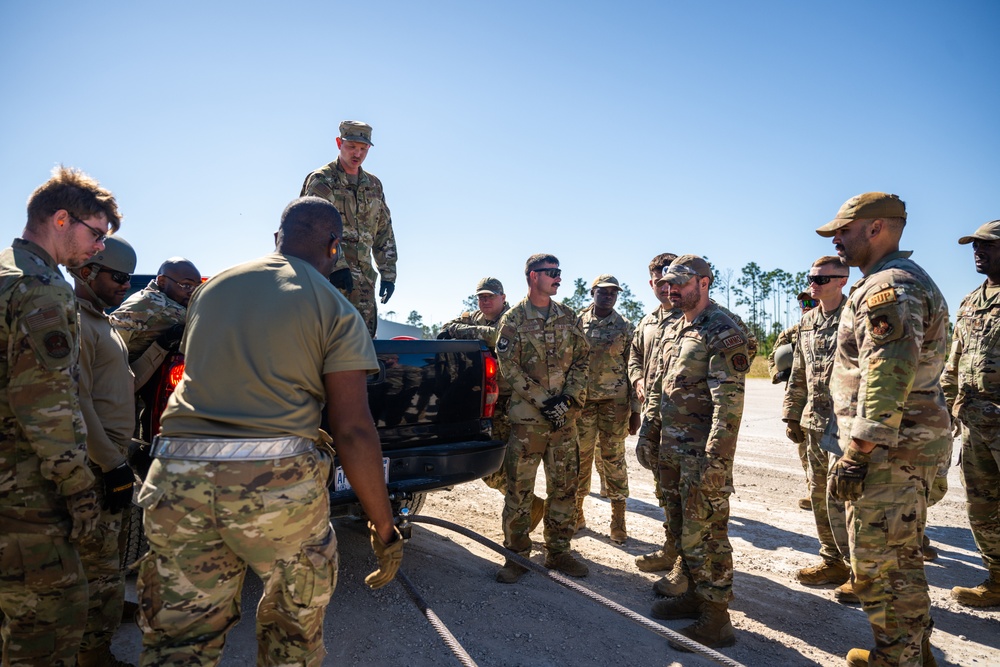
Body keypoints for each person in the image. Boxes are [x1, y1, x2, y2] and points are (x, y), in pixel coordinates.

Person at [135, 197, 403, 666]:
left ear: (277, 240)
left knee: (176, 645)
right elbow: (354, 430)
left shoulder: (211, 289)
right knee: (291, 639)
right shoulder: (335, 310)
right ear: (335, 247)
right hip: (275, 488)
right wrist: (384, 527)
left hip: (176, 480)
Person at [818, 192, 950, 667]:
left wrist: (857, 452)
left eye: (843, 229)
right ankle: (914, 651)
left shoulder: (889, 286)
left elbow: (888, 373)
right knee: (900, 557)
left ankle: (897, 660)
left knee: (881, 565)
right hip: (900, 446)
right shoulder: (891, 281)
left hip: (889, 451)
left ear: (876, 228)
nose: (836, 238)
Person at [0, 165, 118, 666]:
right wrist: (79, 489)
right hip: (27, 492)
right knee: (50, 629)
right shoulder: (41, 289)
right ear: (63, 219)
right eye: (96, 235)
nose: (99, 249)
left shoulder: (7, 273)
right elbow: (46, 407)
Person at [645, 255, 749, 650]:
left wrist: (716, 461)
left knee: (706, 535)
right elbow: (663, 385)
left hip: (702, 456)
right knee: (679, 528)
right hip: (672, 449)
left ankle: (716, 619)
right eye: (668, 283)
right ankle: (694, 595)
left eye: (681, 283)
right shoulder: (678, 326)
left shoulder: (721, 330)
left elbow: (729, 404)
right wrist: (651, 436)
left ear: (703, 283)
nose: (671, 289)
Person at [493, 254, 590, 583]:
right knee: (519, 490)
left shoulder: (569, 317)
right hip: (527, 422)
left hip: (564, 420)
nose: (558, 278)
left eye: (560, 273)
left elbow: (582, 362)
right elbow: (509, 367)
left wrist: (568, 399)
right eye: (552, 273)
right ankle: (516, 554)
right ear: (533, 276)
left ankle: (559, 550)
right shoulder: (514, 319)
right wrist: (544, 400)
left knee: (564, 488)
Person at [69, 236, 140, 667]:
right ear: (86, 272)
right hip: (96, 465)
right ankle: (92, 654)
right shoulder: (75, 321)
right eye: (118, 277)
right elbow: (78, 403)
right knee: (97, 569)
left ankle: (104, 626)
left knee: (110, 561)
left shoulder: (102, 321)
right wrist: (112, 465)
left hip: (112, 457)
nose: (125, 286)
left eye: (129, 279)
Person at [437, 278, 545, 530]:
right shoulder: (475, 316)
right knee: (487, 464)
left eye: (490, 296)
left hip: (513, 402)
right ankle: (529, 506)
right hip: (485, 401)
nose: (484, 301)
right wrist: (456, 328)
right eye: (481, 297)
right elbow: (447, 325)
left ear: (503, 298)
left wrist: (460, 331)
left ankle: (523, 516)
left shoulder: (514, 318)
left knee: (509, 462)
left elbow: (496, 336)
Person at [781, 257, 852, 591]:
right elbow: (798, 372)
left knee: (848, 497)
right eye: (811, 278)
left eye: (822, 279)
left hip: (846, 425)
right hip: (813, 420)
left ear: (842, 280)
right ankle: (832, 561)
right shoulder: (807, 321)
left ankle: (859, 570)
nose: (814, 284)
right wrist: (791, 414)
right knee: (819, 492)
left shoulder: (855, 316)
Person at [943, 219, 1000, 608]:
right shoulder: (970, 300)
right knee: (982, 505)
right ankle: (997, 579)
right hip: (974, 422)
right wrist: (948, 403)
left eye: (986, 245)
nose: (976, 250)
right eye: (973, 245)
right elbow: (955, 359)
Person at [300, 120, 397, 337]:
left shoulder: (373, 185)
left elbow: (384, 232)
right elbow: (314, 226)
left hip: (364, 285)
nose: (358, 153)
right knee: (327, 343)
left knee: (362, 345)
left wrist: (388, 274)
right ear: (339, 143)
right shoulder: (322, 180)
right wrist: (337, 265)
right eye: (352, 146)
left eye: (363, 149)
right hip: (327, 280)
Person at [574, 274, 640, 544]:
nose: (608, 296)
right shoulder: (577, 323)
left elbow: (634, 367)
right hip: (583, 403)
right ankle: (576, 514)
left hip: (616, 404)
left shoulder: (625, 326)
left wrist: (636, 410)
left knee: (614, 462)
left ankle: (618, 520)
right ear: (593, 293)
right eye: (603, 291)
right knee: (580, 459)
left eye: (613, 292)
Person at [770, 291, 816, 511]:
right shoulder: (793, 332)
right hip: (801, 398)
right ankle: (813, 491)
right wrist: (778, 374)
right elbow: (773, 357)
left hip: (829, 396)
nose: (807, 306)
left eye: (811, 302)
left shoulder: (841, 324)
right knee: (804, 446)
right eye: (803, 303)